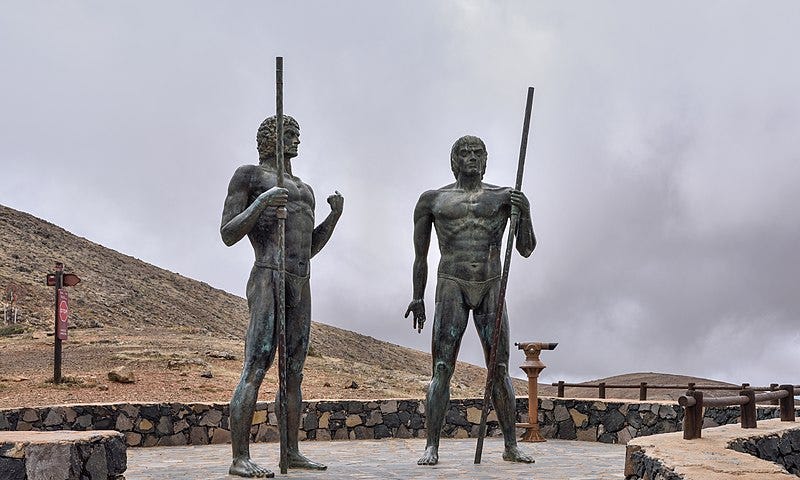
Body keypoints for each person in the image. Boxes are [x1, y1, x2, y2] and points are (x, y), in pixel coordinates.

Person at [221, 115, 343, 478]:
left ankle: (291, 451)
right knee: (256, 364)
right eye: (290, 135)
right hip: (267, 274)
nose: (296, 142)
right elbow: (228, 233)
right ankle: (239, 457)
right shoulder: (249, 176)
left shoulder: (305, 190)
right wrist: (263, 202)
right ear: (269, 138)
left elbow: (308, 248)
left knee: (294, 372)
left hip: (300, 281)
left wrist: (334, 219)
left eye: (298, 135)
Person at [405, 135, 535, 466]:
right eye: (464, 153)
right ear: (454, 161)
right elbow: (420, 256)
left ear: (486, 159)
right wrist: (417, 297)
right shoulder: (432, 200)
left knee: (500, 367)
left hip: (491, 284)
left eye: (478, 153)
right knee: (442, 366)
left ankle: (510, 444)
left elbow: (526, 248)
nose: (471, 157)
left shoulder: (504, 197)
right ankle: (431, 445)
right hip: (451, 283)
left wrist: (526, 211)